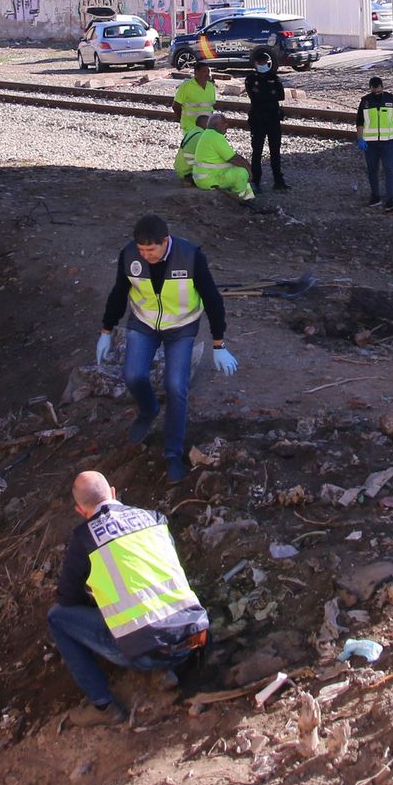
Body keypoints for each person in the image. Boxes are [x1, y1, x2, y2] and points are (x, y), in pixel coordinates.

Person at [47, 470, 210, 725]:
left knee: (57, 618)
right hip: (195, 636)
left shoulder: (85, 538)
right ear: (113, 492)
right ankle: (167, 671)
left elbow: (68, 599)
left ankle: (103, 706)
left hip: (148, 652)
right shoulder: (154, 518)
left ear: (80, 511)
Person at [97, 214, 236, 482]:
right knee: (133, 376)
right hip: (143, 323)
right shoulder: (129, 256)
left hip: (182, 327)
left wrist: (219, 343)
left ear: (165, 241)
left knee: (176, 387)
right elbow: (118, 294)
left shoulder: (191, 256)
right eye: (141, 250)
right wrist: (106, 330)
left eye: (151, 250)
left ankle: (173, 453)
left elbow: (213, 300)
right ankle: (149, 410)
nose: (145, 255)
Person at [356, 75, 393, 213]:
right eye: (374, 91)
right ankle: (375, 197)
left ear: (382, 87)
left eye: (379, 91)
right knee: (372, 171)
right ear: (371, 88)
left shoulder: (391, 99)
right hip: (370, 144)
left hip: (388, 143)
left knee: (389, 170)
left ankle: (390, 199)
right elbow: (360, 122)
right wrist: (360, 138)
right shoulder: (365, 102)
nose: (377, 93)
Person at [192, 113, 257, 205]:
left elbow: (232, 156)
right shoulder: (215, 137)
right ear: (216, 125)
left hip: (206, 176)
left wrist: (244, 162)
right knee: (241, 173)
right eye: (224, 123)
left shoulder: (209, 134)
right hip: (208, 179)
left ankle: (249, 198)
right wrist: (249, 171)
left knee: (239, 170)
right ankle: (241, 200)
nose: (227, 125)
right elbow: (233, 159)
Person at [244, 59, 288, 192]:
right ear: (255, 64)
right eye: (260, 62)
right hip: (257, 120)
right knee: (257, 151)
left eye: (265, 62)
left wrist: (265, 93)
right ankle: (256, 181)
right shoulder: (251, 79)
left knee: (275, 151)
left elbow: (280, 95)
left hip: (273, 119)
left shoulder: (274, 78)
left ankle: (278, 180)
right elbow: (256, 96)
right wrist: (269, 93)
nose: (263, 65)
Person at [172, 61, 217, 137]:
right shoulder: (186, 86)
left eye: (208, 71)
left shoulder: (211, 86)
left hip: (206, 128)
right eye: (204, 71)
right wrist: (183, 120)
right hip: (191, 128)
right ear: (196, 73)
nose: (207, 74)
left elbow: (211, 106)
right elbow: (176, 106)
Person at [173, 114, 209, 186]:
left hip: (180, 169)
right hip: (188, 172)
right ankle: (190, 180)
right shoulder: (202, 136)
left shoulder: (192, 132)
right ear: (206, 124)